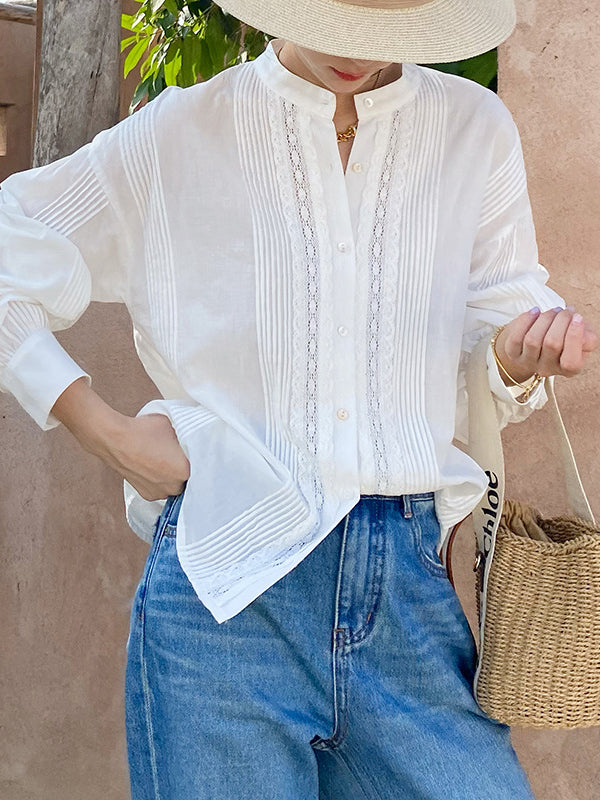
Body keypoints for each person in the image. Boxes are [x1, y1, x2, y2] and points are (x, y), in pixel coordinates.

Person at [0, 0, 597, 797]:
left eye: (385, 29)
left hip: (409, 592)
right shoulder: (178, 132)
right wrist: (103, 429)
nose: (358, 52)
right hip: (227, 590)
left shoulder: (473, 129)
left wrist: (515, 355)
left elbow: (494, 322)